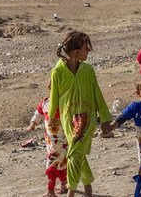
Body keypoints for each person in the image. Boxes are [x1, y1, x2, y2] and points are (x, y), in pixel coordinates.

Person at [48, 31, 112, 197]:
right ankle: (88, 184)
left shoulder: (88, 70)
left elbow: (97, 94)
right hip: (68, 120)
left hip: (88, 119)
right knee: (77, 153)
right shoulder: (57, 72)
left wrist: (104, 119)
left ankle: (71, 191)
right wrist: (52, 123)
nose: (88, 51)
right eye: (86, 48)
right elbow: (54, 98)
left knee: (74, 154)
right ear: (76, 52)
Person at [26, 81, 68, 196]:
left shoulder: (64, 103)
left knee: (52, 163)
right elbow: (38, 114)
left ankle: (50, 190)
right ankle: (64, 184)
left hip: (62, 141)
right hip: (50, 141)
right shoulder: (45, 102)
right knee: (60, 164)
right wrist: (33, 124)